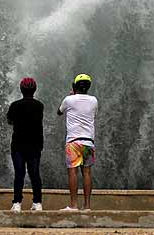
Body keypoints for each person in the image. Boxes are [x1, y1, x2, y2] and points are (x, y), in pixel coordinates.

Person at [57, 73, 97, 211]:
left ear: (75, 86)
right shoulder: (94, 100)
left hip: (73, 142)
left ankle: (74, 205)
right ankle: (87, 206)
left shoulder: (69, 100)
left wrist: (72, 95)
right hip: (88, 142)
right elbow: (93, 114)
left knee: (73, 172)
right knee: (87, 172)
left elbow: (59, 112)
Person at [6, 77, 44, 212]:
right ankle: (37, 202)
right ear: (35, 90)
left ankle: (17, 202)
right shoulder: (39, 105)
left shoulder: (15, 105)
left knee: (19, 174)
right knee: (35, 174)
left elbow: (9, 120)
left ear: (21, 89)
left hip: (18, 145)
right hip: (35, 145)